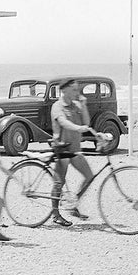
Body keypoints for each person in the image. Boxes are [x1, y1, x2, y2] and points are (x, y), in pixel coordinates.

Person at [50, 78, 94, 226]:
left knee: (89, 176)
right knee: (59, 182)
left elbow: (87, 123)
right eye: (74, 89)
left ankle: (73, 205)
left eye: (77, 89)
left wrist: (84, 105)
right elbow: (63, 122)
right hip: (62, 148)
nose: (77, 92)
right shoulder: (57, 106)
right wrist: (78, 128)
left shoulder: (76, 105)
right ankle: (55, 214)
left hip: (74, 149)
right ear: (64, 90)